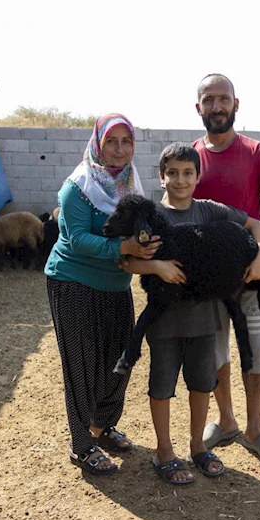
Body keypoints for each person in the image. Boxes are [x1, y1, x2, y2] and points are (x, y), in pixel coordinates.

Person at [121, 142, 260, 485]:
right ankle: (164, 451)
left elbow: (256, 225)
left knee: (202, 384)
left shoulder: (210, 211)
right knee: (162, 385)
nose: (180, 180)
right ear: (161, 178)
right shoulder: (152, 217)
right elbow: (127, 260)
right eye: (172, 173)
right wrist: (156, 266)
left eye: (188, 173)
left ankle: (198, 445)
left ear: (198, 177)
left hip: (205, 321)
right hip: (164, 322)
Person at [44, 113, 161, 475]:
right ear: (98, 143)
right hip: (74, 283)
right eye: (112, 141)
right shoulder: (77, 186)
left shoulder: (132, 184)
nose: (119, 149)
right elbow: (77, 239)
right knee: (83, 366)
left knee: (119, 361)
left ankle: (104, 425)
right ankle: (82, 445)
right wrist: (124, 246)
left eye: (126, 142)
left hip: (115, 285)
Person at [192, 73, 260, 464]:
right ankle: (227, 420)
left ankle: (255, 429)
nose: (217, 106)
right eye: (209, 99)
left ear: (236, 104)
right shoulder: (188, 159)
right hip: (209, 281)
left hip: (253, 276)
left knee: (257, 354)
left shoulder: (257, 153)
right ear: (197, 107)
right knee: (215, 352)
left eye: (223, 99)